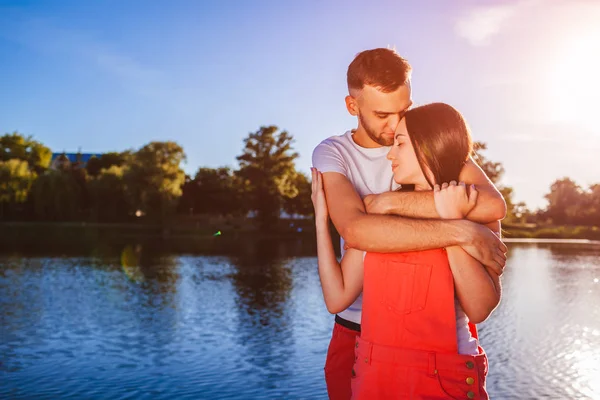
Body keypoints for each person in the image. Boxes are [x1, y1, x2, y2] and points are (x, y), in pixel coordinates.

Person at [311, 48, 507, 400]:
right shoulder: (333, 153)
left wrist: (386, 204)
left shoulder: (424, 135)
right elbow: (355, 232)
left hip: (442, 349)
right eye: (384, 115)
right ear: (353, 106)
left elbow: (493, 204)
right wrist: (459, 227)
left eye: (404, 112)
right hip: (366, 342)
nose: (395, 126)